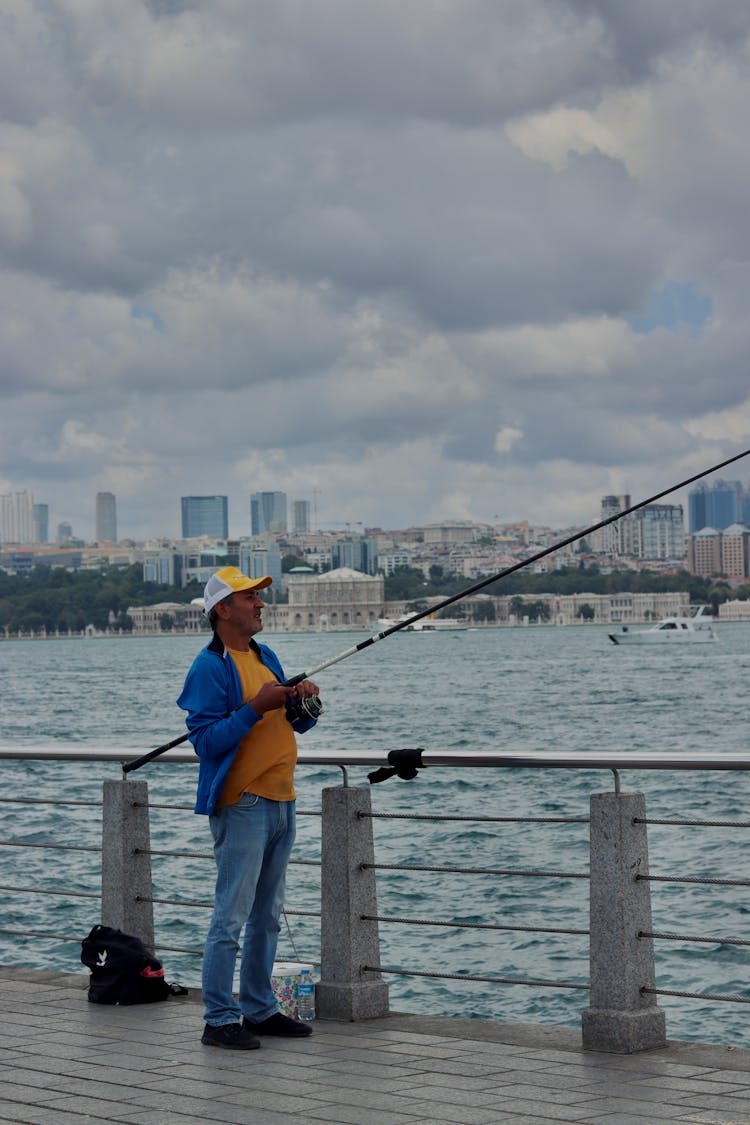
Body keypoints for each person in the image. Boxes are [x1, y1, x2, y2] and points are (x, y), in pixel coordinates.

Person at [177, 565, 321, 1050]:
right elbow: (205, 741)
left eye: (259, 597)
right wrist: (254, 707)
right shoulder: (209, 666)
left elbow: (292, 726)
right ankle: (219, 1018)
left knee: (269, 915)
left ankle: (259, 1009)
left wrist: (304, 704)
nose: (260, 604)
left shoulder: (267, 655)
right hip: (243, 803)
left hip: (283, 800)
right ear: (222, 609)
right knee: (231, 917)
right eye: (249, 598)